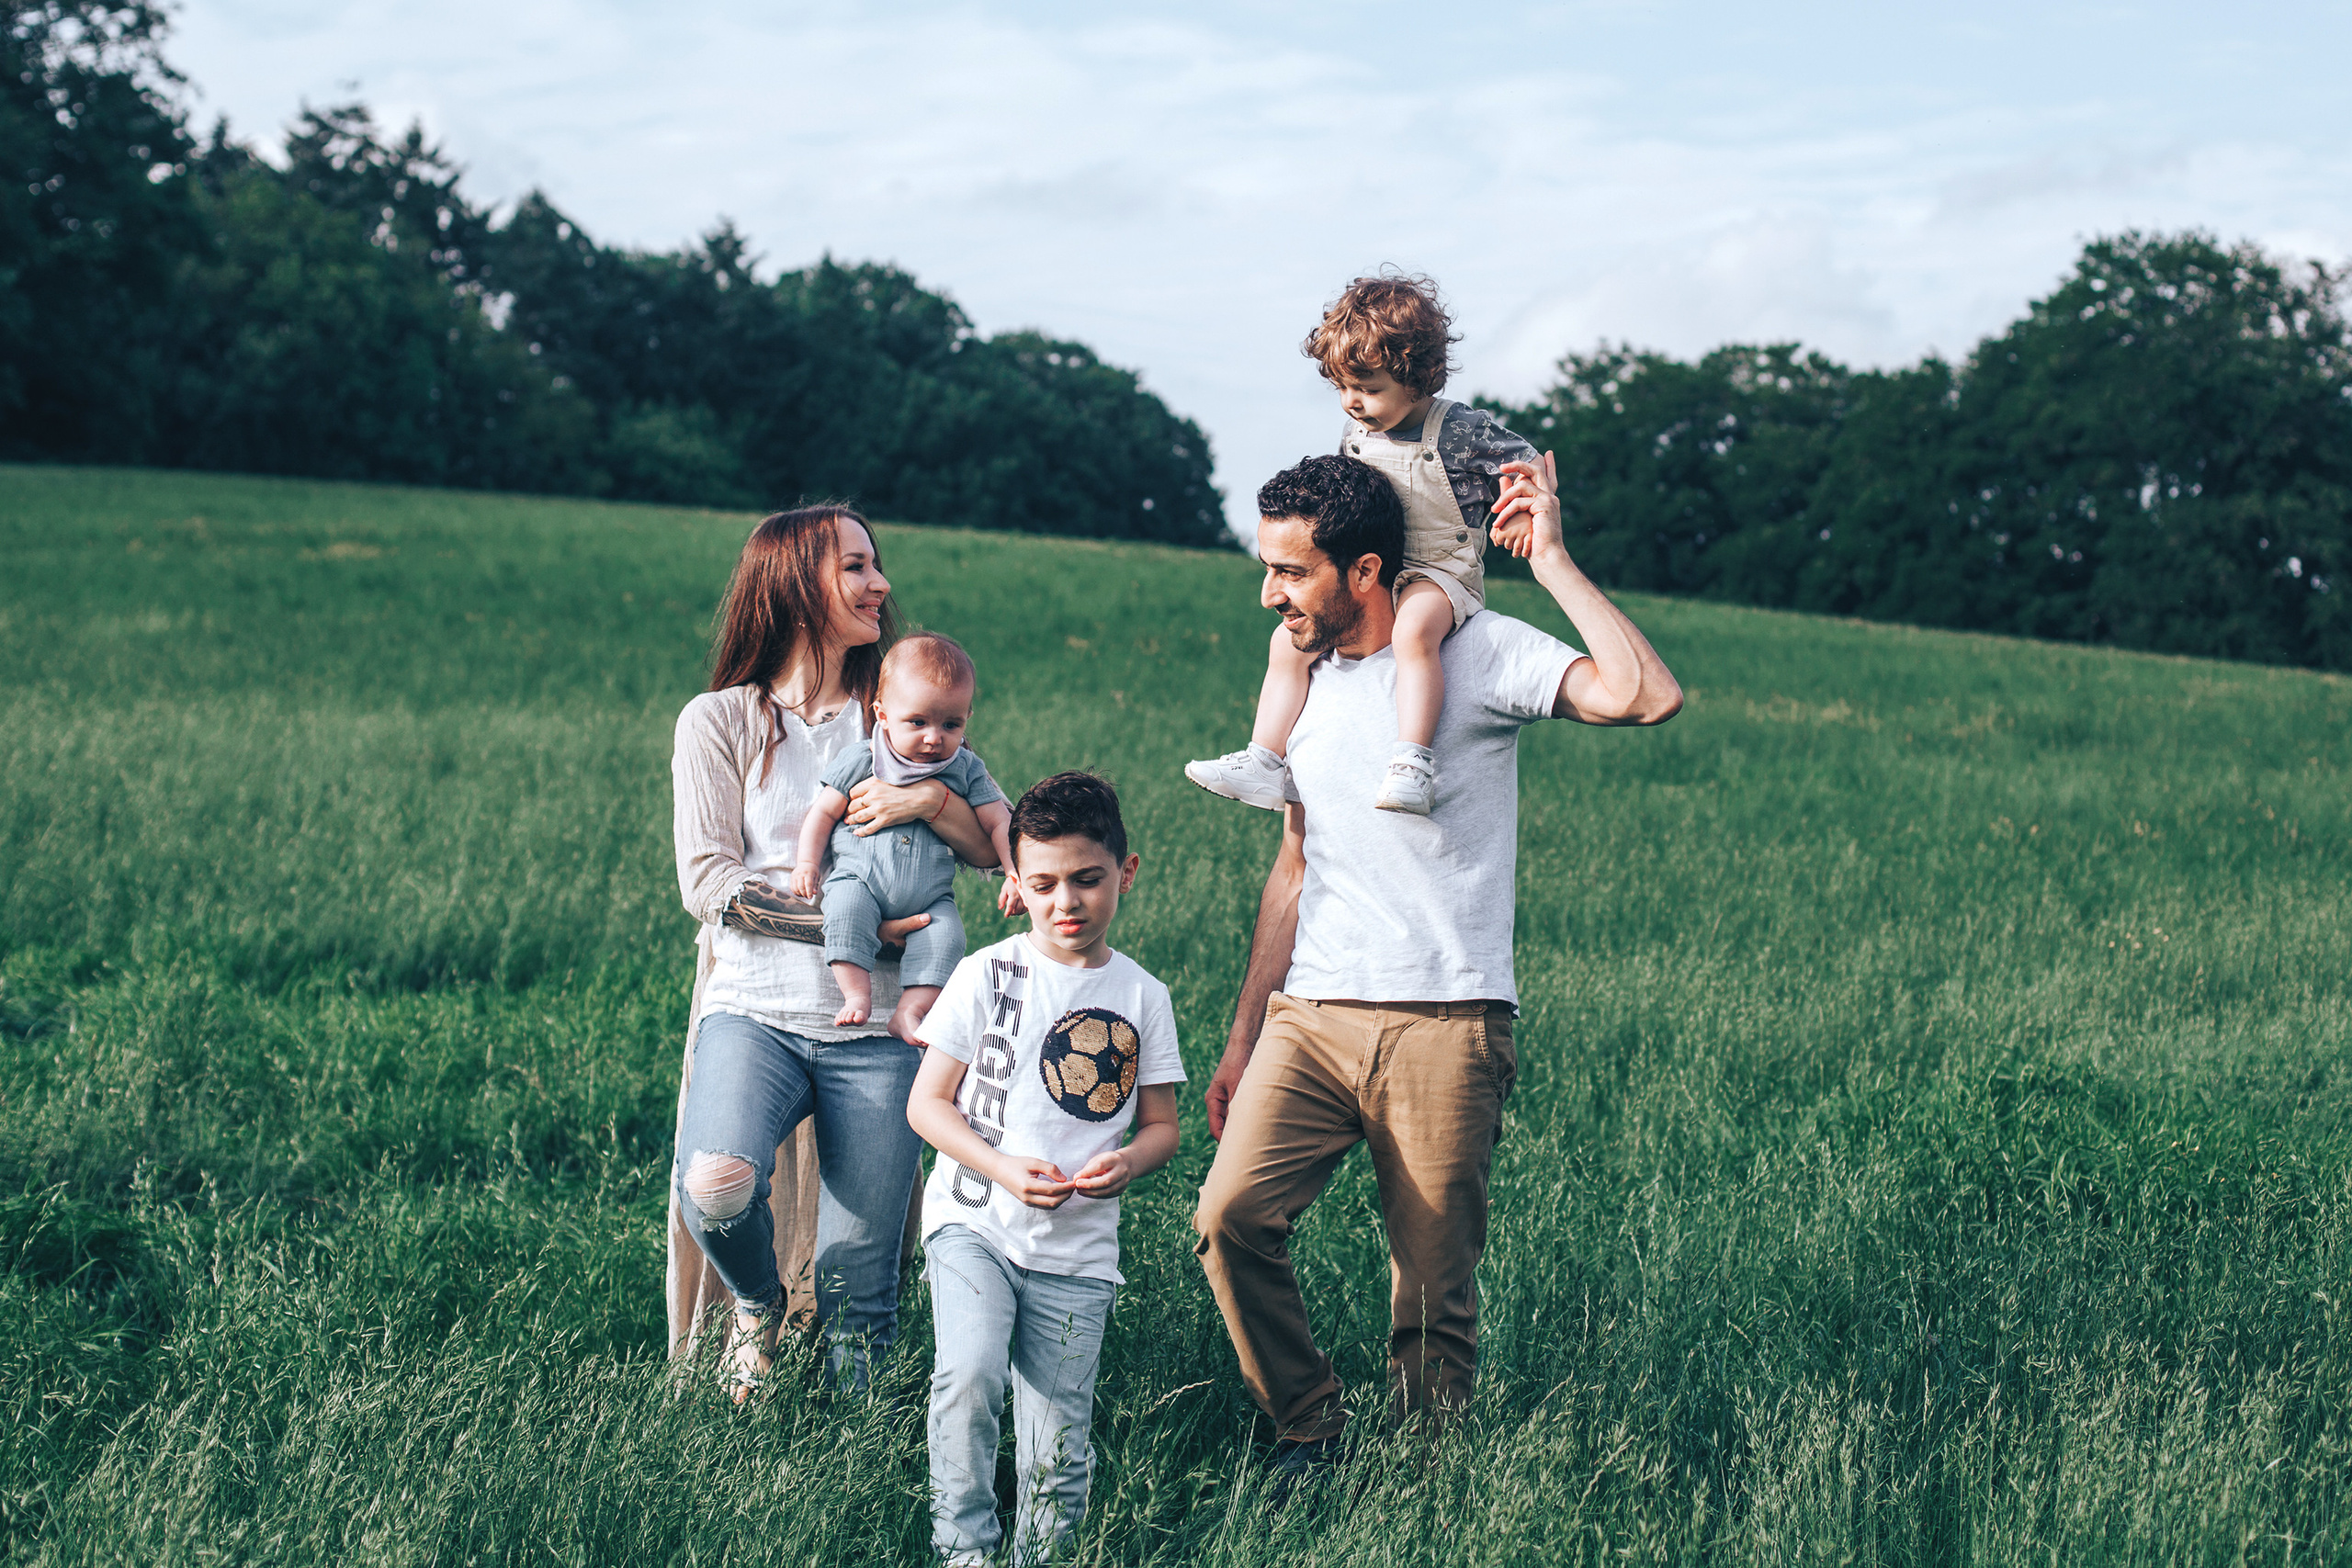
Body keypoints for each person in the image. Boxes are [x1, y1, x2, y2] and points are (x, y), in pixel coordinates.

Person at [1192, 453, 1681, 1492]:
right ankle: (1311, 1431)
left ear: (1363, 570)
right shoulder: (1303, 685)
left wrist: (1549, 560)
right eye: (1267, 568)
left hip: (1447, 1020)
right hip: (1311, 1015)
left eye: (1290, 572)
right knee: (1227, 1218)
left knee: (1429, 1293)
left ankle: (1423, 1487)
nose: (1269, 593)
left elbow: (1648, 696)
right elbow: (1292, 869)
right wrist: (1242, 1038)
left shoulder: (1478, 652)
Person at [667, 504, 1002, 1399]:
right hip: (756, 1012)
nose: (878, 583)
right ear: (792, 583)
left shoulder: (897, 709)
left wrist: (928, 804)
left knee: (862, 1283)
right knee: (717, 1183)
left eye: (874, 563)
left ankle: (862, 1462)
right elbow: (709, 883)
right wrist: (846, 930)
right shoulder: (721, 721)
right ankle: (755, 1305)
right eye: (854, 566)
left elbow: (983, 845)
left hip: (884, 1034)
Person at [906, 772, 1185, 1567]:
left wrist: (1128, 1160)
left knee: (1058, 1436)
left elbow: (1162, 1126)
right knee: (969, 1375)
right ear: (1018, 886)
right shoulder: (986, 973)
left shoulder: (1142, 995)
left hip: (1078, 1252)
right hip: (974, 1221)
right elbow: (928, 1106)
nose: (1068, 901)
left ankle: (1042, 1553)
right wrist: (998, 1166)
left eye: (1089, 879)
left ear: (1125, 873)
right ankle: (962, 1546)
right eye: (1045, 883)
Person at [1187, 272, 1542, 817]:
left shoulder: (1458, 431)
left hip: (1440, 572)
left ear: (1420, 377)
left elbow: (1527, 462)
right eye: (1343, 389)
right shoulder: (1358, 433)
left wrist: (1519, 511)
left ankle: (1413, 761)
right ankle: (1264, 758)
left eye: (1370, 389)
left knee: (1414, 631)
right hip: (1373, 567)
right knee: (1287, 645)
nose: (1353, 403)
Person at [790, 630, 1021, 1042]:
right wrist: (807, 862)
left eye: (952, 724)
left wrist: (1013, 872)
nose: (934, 737)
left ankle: (909, 1011)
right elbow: (823, 812)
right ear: (882, 715)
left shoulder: (964, 768)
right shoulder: (865, 759)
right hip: (860, 882)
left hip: (931, 898)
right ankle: (856, 993)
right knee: (843, 910)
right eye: (918, 722)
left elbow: (999, 822)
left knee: (948, 937)